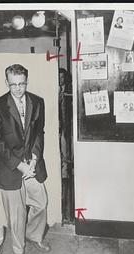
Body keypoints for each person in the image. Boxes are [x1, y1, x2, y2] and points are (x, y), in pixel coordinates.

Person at [0, 64, 51, 254]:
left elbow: (39, 133)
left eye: (21, 84)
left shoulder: (38, 102)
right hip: (10, 167)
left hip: (32, 165)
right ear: (7, 82)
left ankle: (33, 235)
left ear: (27, 81)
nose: (18, 89)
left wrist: (34, 158)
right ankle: (18, 251)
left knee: (41, 202)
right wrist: (19, 164)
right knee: (16, 216)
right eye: (13, 84)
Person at [58, 68, 74, 224]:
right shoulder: (54, 91)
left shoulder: (68, 91)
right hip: (58, 126)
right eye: (59, 78)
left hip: (66, 127)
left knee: (66, 151)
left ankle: (65, 173)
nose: (61, 80)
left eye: (63, 78)